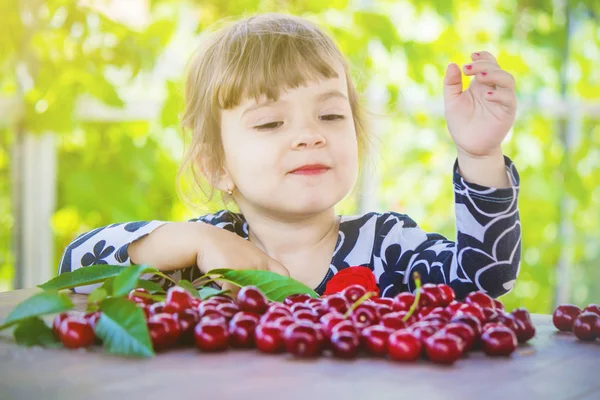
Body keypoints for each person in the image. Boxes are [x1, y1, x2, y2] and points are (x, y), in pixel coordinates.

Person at [58, 13, 521, 300]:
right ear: (214, 166)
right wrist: (195, 241)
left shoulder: (386, 246)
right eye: (271, 123)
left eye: (331, 116)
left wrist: (480, 154)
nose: (309, 136)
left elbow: (486, 277)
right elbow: (77, 265)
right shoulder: (199, 259)